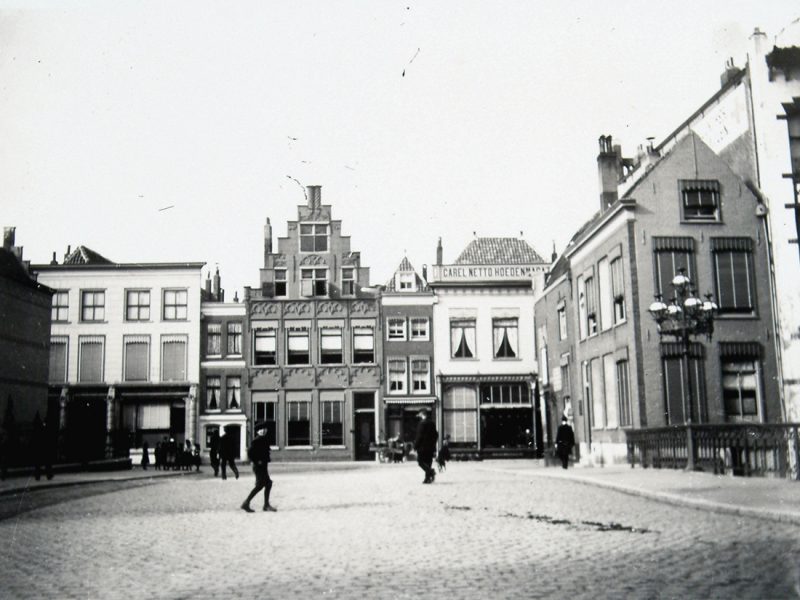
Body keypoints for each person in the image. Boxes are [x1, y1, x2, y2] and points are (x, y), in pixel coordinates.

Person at [241, 422, 277, 513]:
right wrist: (257, 461)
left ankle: (265, 505)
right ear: (258, 431)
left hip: (262, 466)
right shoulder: (257, 440)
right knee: (260, 485)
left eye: (264, 429)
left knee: (268, 483)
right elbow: (250, 452)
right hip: (259, 467)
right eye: (261, 430)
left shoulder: (263, 439)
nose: (263, 431)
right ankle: (247, 503)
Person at [414, 408, 438, 484]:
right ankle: (427, 479)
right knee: (428, 462)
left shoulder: (422, 423)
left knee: (420, 462)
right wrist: (433, 443)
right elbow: (436, 435)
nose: (419, 415)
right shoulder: (432, 423)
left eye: (420, 413)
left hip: (422, 447)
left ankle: (431, 472)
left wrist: (415, 446)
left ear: (422, 414)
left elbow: (419, 436)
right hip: (430, 447)